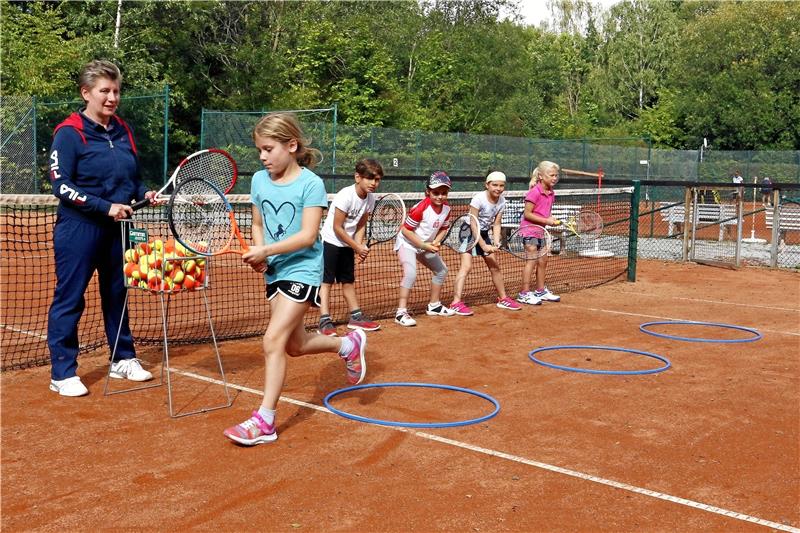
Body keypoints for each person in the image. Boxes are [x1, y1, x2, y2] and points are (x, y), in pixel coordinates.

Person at [224, 113, 367, 446]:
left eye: (269, 148)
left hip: (304, 269)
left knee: (272, 339)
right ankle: (348, 344)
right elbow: (258, 222)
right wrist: (262, 252)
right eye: (260, 149)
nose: (263, 156)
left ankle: (265, 421)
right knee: (294, 345)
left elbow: (306, 236)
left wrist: (267, 251)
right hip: (276, 271)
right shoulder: (259, 180)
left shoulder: (311, 184)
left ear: (291, 146)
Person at [47, 60, 157, 397]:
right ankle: (62, 372)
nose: (112, 98)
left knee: (118, 295)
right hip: (79, 229)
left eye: (116, 91)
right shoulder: (69, 133)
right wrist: (103, 206)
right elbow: (60, 185)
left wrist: (144, 194)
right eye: (104, 91)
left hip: (120, 229)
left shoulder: (122, 129)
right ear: (86, 93)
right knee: (70, 298)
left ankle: (122, 357)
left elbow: (132, 177)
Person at [317, 159, 383, 336]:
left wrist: (359, 245)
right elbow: (337, 227)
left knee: (348, 281)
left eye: (377, 180)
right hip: (331, 242)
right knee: (327, 281)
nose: (373, 183)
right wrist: (356, 246)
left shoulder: (371, 199)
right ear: (357, 177)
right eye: (369, 178)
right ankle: (324, 320)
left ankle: (356, 317)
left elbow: (361, 224)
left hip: (347, 243)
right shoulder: (345, 196)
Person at [449, 171, 521, 315]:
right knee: (466, 266)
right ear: (487, 185)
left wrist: (495, 241)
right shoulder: (478, 199)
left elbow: (497, 223)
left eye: (501, 185)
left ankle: (503, 298)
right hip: (468, 231)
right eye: (494, 185)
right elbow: (473, 224)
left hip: (483, 232)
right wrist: (483, 245)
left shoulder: (502, 201)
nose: (498, 188)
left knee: (495, 266)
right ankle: (455, 303)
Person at [393, 171, 456, 326]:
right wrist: (423, 245)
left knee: (441, 270)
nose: (440, 196)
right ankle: (401, 313)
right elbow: (405, 230)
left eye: (444, 193)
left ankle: (434, 305)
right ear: (428, 191)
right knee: (411, 273)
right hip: (407, 243)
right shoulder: (420, 208)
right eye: (436, 193)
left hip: (425, 245)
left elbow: (443, 228)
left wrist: (436, 241)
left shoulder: (447, 209)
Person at [516, 161, 562, 305]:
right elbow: (527, 214)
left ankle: (540, 290)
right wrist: (547, 220)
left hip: (541, 231)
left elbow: (545, 213)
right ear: (541, 176)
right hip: (529, 230)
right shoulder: (534, 192)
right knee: (532, 260)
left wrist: (551, 220)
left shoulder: (551, 192)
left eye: (556, 175)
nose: (554, 178)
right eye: (551, 175)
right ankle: (524, 293)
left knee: (543, 260)